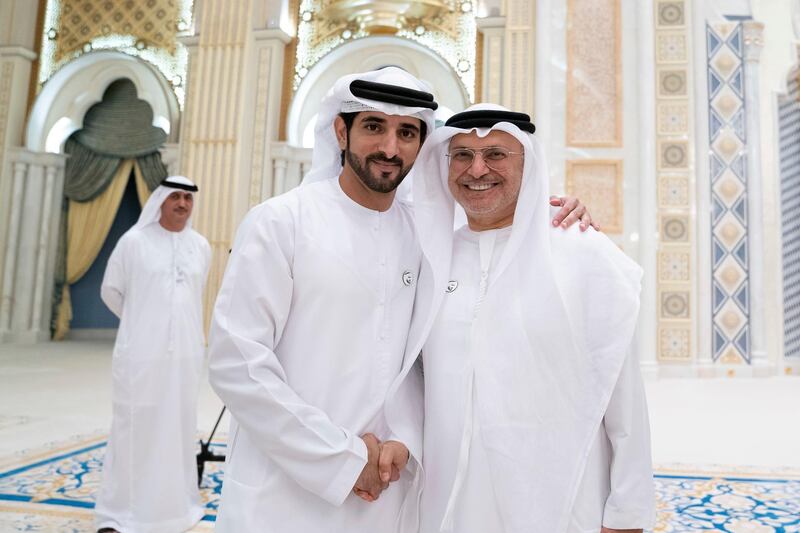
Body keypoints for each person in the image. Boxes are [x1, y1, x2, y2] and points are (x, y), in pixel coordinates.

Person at [207, 68, 593, 532]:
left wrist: (405, 439)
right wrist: (340, 459)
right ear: (340, 131)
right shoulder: (280, 223)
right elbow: (238, 362)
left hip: (387, 487)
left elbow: (420, 360)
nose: (390, 148)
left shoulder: (426, 235)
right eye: (373, 127)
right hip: (284, 488)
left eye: (406, 132)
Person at [386, 104, 655, 533]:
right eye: (462, 156)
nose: (477, 170)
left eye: (496, 154)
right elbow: (408, 378)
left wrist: (628, 513)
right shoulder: (431, 259)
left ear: (527, 164)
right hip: (447, 505)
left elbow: (624, 400)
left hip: (560, 503)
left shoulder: (583, 254)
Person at [95, 176, 211, 533]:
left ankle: (174, 510)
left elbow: (194, 297)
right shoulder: (133, 243)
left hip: (185, 358)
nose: (182, 204)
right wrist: (142, 326)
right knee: (134, 430)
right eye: (175, 196)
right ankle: (119, 513)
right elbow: (111, 292)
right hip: (140, 357)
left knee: (176, 429)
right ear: (159, 200)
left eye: (188, 198)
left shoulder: (200, 246)